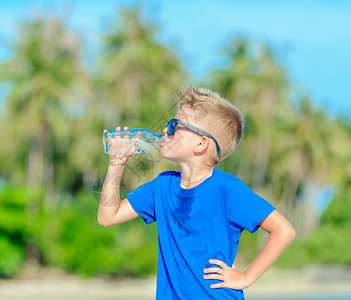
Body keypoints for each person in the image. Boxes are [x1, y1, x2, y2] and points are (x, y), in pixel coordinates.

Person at [98, 87, 296, 299]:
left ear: (201, 143)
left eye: (174, 126)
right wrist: (116, 165)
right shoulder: (162, 186)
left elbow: (284, 231)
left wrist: (245, 277)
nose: (166, 131)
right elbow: (108, 217)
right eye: (168, 125)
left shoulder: (227, 189)